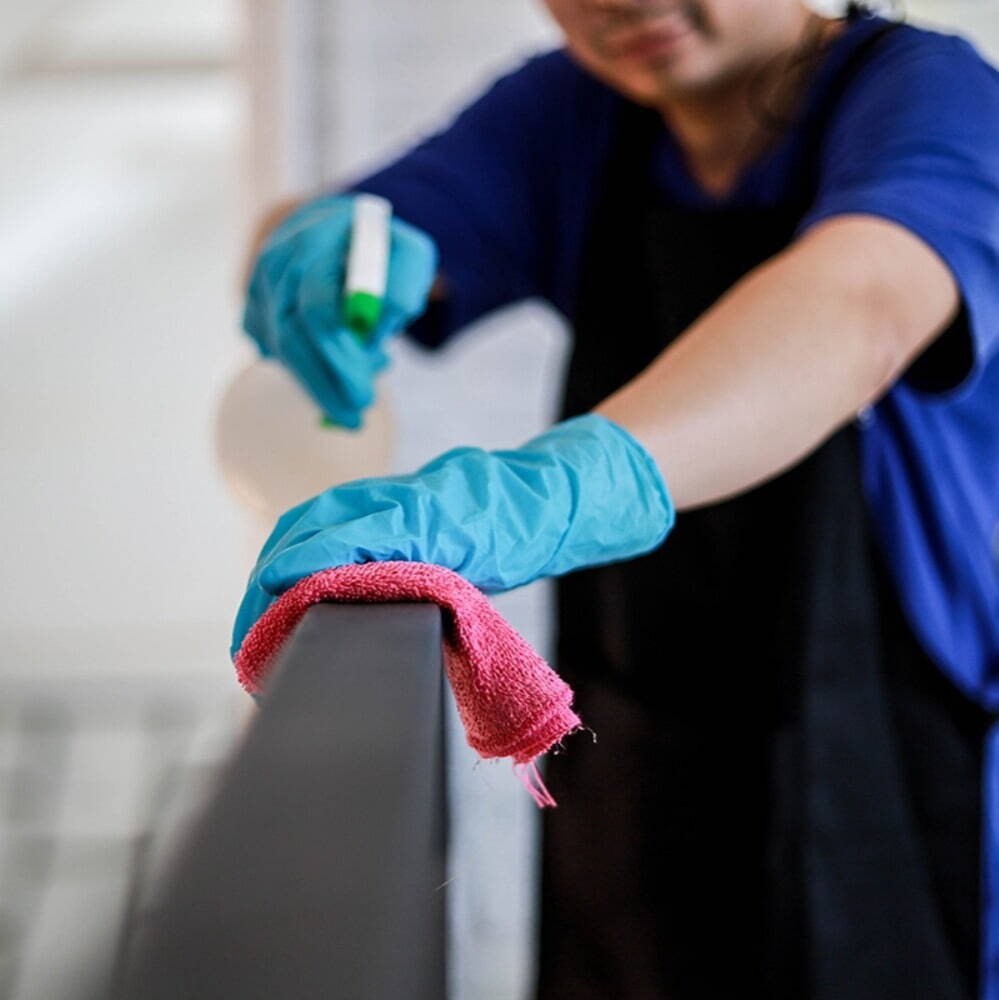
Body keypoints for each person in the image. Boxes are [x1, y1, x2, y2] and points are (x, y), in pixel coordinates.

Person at [231, 2, 999, 997]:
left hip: (901, 763)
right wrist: (313, 245)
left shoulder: (935, 98)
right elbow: (354, 222)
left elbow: (859, 306)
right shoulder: (574, 115)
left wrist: (545, 495)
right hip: (637, 751)